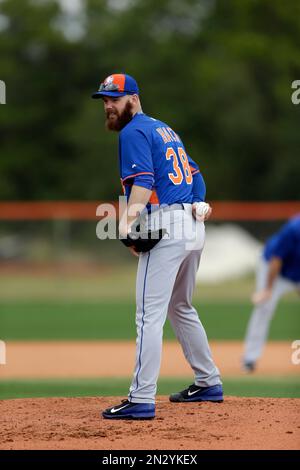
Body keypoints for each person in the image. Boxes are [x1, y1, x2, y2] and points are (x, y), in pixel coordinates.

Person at [92, 73, 223, 420]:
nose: (108, 106)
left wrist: (124, 223)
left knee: (148, 315)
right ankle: (208, 382)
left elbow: (144, 180)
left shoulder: (133, 131)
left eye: (114, 99)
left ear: (133, 99)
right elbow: (195, 174)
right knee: (180, 305)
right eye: (105, 100)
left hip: (167, 225)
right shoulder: (165, 129)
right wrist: (198, 202)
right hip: (191, 228)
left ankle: (140, 398)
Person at [242, 214, 300, 372]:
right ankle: (250, 358)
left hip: (297, 272)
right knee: (264, 307)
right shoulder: (294, 229)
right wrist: (267, 289)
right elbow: (276, 259)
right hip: (274, 269)